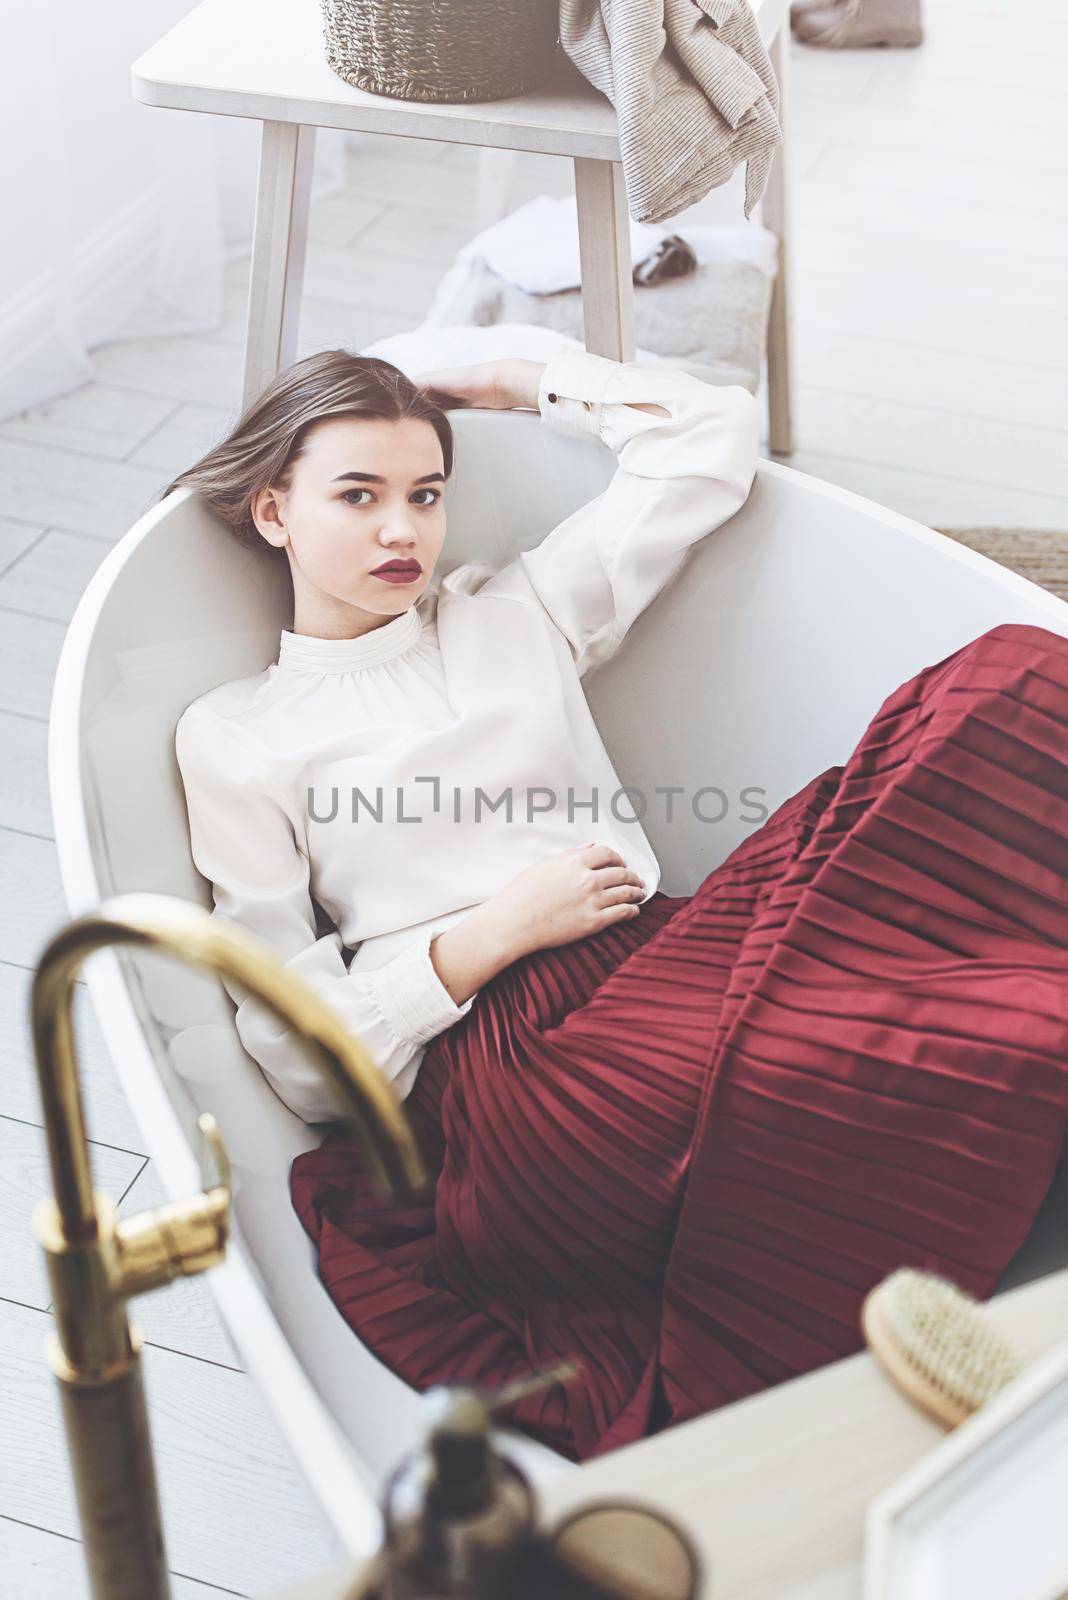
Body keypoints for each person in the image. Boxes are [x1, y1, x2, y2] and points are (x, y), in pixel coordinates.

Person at [172, 346, 1068, 1463]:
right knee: (981, 1023)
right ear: (274, 512)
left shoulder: (514, 612)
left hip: (672, 952)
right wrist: (490, 933)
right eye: (358, 496)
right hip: (519, 1063)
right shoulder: (237, 733)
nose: (402, 529)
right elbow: (297, 1054)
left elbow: (707, 439)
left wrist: (507, 372)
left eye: (426, 493)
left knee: (1017, 674)